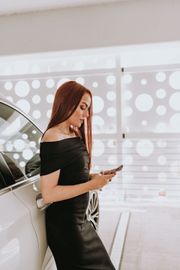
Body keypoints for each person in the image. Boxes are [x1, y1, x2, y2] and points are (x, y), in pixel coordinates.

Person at [40, 80, 116, 270]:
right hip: (67, 229)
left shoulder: (73, 134)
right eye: (83, 107)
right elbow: (49, 193)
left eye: (88, 108)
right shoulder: (52, 137)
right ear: (67, 102)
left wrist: (93, 177)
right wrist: (92, 185)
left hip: (81, 222)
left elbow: (70, 175)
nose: (87, 114)